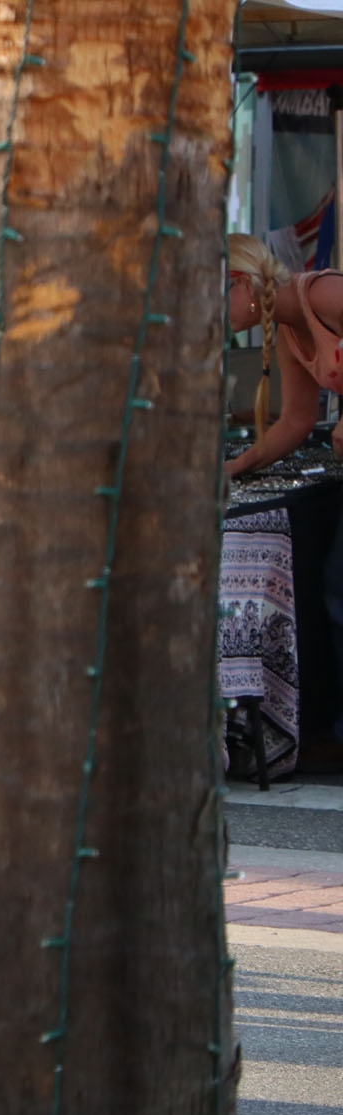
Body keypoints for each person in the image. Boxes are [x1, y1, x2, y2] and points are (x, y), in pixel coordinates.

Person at [225, 233, 343, 770]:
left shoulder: (321, 296)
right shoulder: (292, 328)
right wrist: (233, 466)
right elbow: (296, 421)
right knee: (330, 586)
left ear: (244, 284)